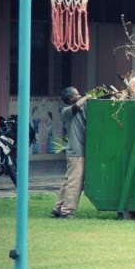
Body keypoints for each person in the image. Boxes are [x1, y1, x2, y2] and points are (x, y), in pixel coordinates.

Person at [51, 86, 89, 219]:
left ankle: (57, 208)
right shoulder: (67, 111)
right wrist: (87, 97)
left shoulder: (79, 110)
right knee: (75, 182)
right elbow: (77, 106)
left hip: (77, 152)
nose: (79, 96)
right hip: (76, 153)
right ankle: (67, 211)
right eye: (77, 95)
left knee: (68, 181)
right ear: (70, 98)